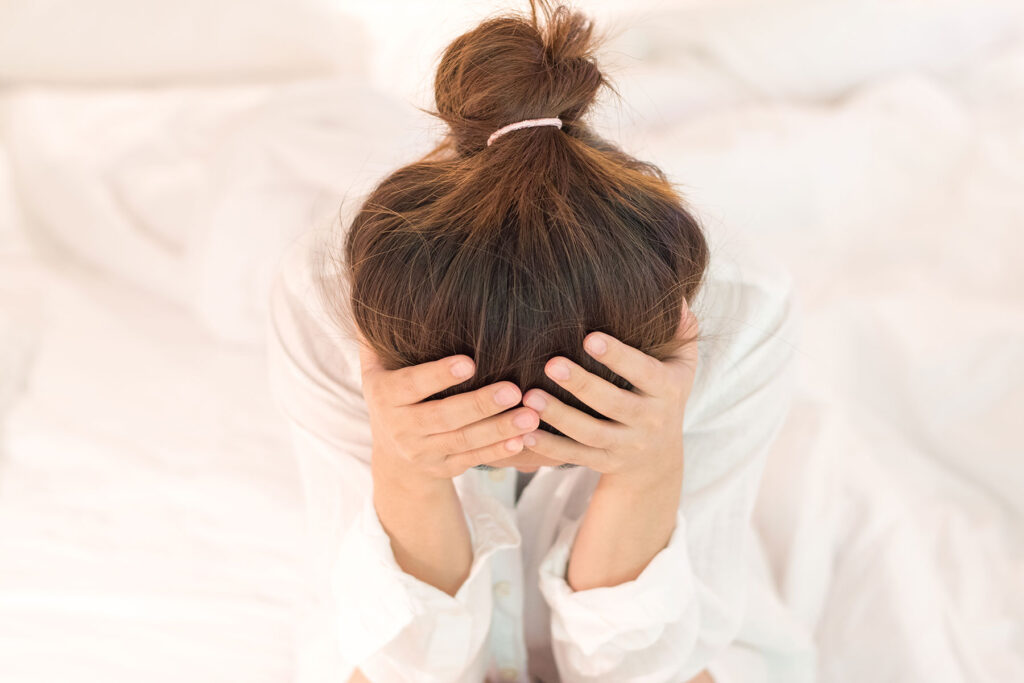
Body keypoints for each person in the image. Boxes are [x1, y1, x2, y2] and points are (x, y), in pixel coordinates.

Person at [266, 1, 813, 681]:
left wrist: (645, 468)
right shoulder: (333, 303)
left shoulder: (738, 309)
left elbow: (640, 668)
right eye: (490, 413)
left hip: (677, 620)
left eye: (557, 419)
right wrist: (407, 468)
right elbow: (404, 661)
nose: (521, 446)